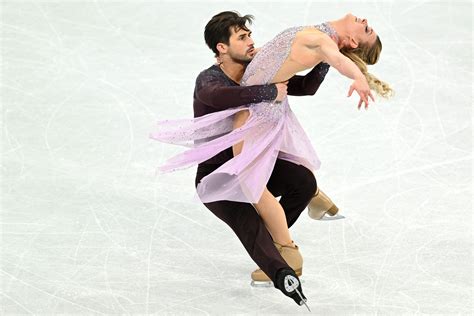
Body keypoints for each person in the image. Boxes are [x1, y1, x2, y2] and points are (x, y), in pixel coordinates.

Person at [151, 11, 392, 308]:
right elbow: (219, 98)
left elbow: (306, 87)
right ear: (221, 48)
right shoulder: (209, 79)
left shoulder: (258, 66)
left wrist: (332, 54)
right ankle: (282, 272)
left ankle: (278, 245)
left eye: (249, 34)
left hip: (256, 158)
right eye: (242, 38)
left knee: (302, 182)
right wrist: (269, 91)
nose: (251, 41)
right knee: (251, 226)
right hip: (220, 176)